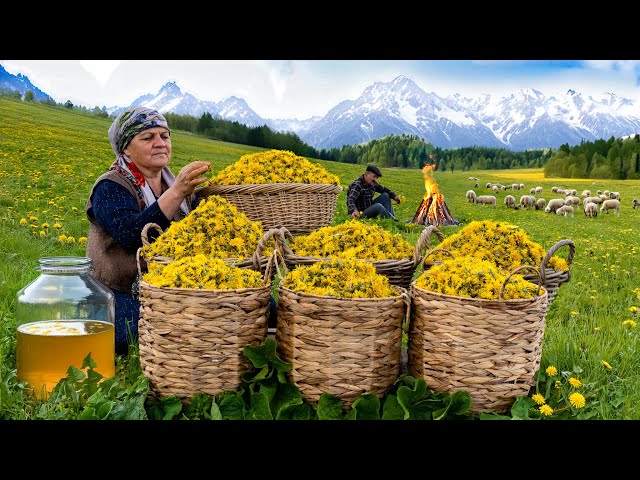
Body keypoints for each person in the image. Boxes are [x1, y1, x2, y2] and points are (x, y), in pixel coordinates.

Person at [85, 106, 211, 356]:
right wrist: (176, 194)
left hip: (167, 287)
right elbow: (130, 235)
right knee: (134, 331)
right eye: (148, 137)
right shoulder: (111, 186)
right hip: (116, 291)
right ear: (125, 148)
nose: (160, 143)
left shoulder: (176, 186)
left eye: (165, 136)